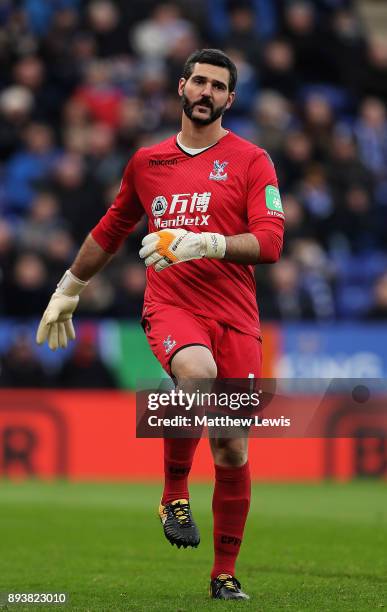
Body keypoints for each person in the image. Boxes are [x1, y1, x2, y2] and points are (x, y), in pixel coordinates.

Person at [36, 49, 285, 601]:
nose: (206, 92)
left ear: (229, 100)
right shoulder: (147, 163)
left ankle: (223, 574)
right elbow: (112, 227)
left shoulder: (253, 161)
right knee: (196, 374)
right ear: (180, 86)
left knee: (231, 449)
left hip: (237, 317)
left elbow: (270, 242)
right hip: (172, 306)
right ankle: (174, 491)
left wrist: (208, 243)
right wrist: (68, 288)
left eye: (218, 87)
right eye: (198, 81)